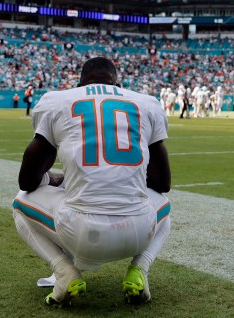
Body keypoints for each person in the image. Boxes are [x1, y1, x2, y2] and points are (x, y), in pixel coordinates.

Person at [13, 57, 171, 308]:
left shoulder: (58, 101)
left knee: (20, 202)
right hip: (139, 233)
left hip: (82, 234)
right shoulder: (146, 103)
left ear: (80, 82)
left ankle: (64, 271)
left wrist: (53, 178)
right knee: (164, 204)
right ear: (117, 83)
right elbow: (162, 183)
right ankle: (139, 268)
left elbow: (27, 180)